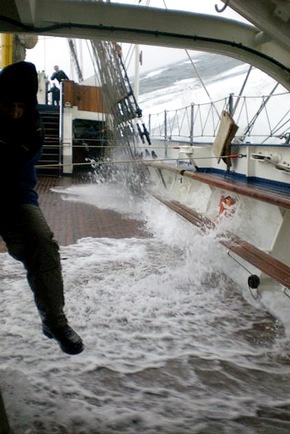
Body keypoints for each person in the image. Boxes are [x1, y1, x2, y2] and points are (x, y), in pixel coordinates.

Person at [0, 61, 84, 355]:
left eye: (20, 106)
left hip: (14, 194)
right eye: (8, 104)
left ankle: (54, 320)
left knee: (42, 242)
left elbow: (11, 162)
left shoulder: (34, 126)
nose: (14, 112)